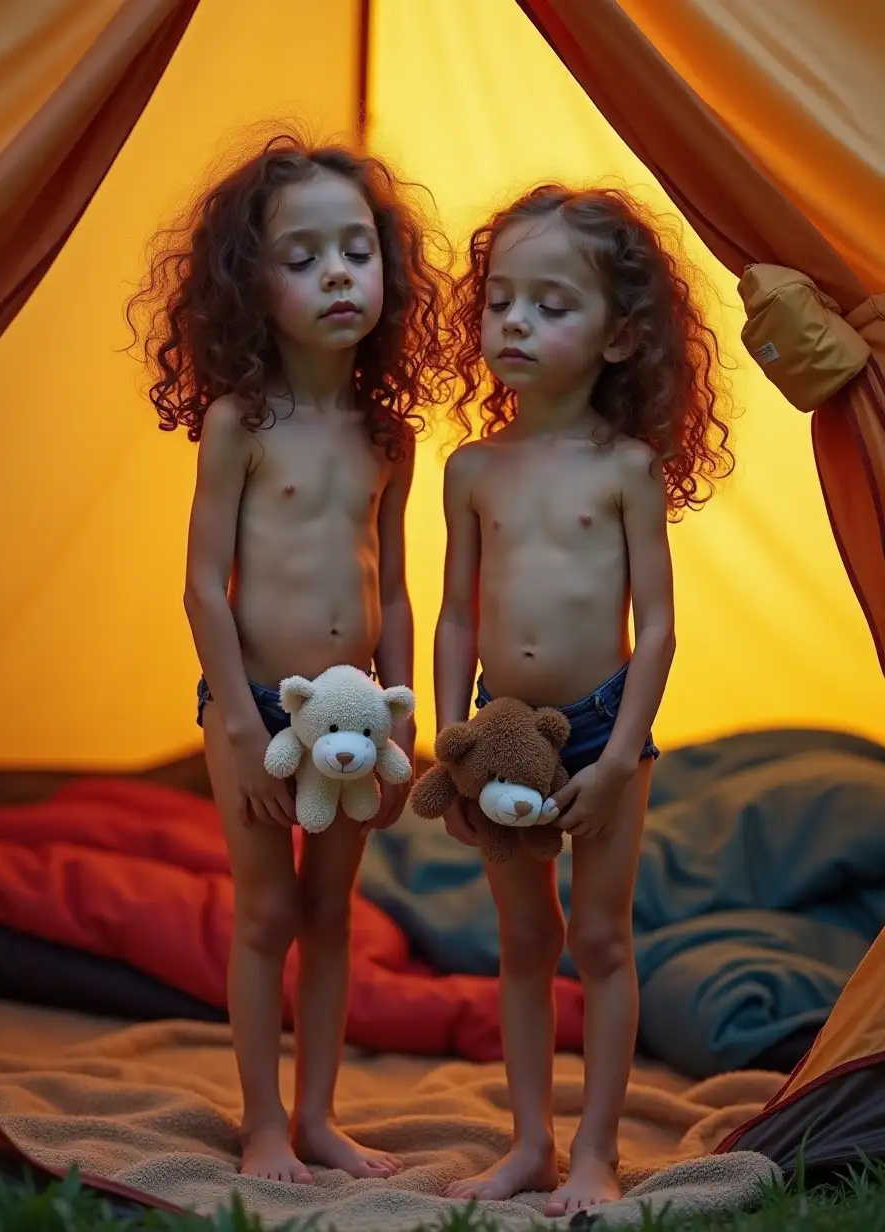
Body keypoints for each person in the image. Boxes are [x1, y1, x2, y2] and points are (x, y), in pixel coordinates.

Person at [126, 131, 453, 1183]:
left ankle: (317, 1117)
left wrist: (405, 718)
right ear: (248, 286)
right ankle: (262, 1122)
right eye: (302, 256)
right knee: (266, 909)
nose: (337, 273)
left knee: (329, 912)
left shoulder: (387, 434)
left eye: (355, 249)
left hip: (357, 720)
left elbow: (395, 589)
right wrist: (236, 714)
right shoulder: (240, 423)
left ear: (386, 271)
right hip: (253, 709)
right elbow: (199, 584)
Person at [435, 185, 734, 1215]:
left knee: (600, 939)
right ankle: (529, 1143)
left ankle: (597, 1153)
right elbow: (455, 619)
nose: (513, 322)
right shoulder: (470, 467)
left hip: (607, 725)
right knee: (523, 939)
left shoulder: (625, 469)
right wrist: (450, 730)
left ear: (619, 338)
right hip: (500, 729)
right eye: (499, 300)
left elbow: (656, 626)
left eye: (550, 304)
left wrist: (617, 758)